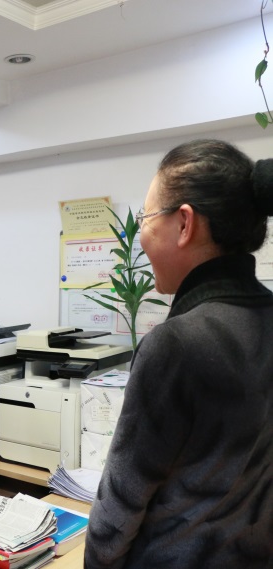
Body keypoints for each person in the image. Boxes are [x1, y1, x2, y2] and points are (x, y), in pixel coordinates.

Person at [84, 139, 273, 569]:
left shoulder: (177, 344)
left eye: (146, 217)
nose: (141, 236)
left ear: (185, 223)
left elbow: (117, 514)